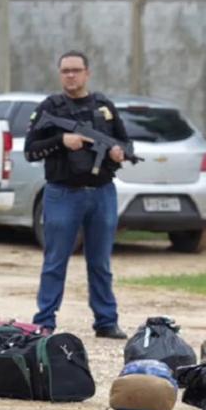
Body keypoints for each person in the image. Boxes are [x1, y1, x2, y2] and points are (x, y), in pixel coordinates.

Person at [24, 51, 132, 339]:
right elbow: (31, 149)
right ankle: (44, 321)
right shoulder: (50, 108)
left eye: (75, 70)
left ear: (87, 73)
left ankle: (106, 321)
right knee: (55, 260)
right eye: (65, 71)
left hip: (101, 193)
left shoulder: (104, 106)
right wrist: (62, 141)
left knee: (100, 262)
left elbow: (124, 140)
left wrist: (118, 152)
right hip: (63, 193)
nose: (70, 75)